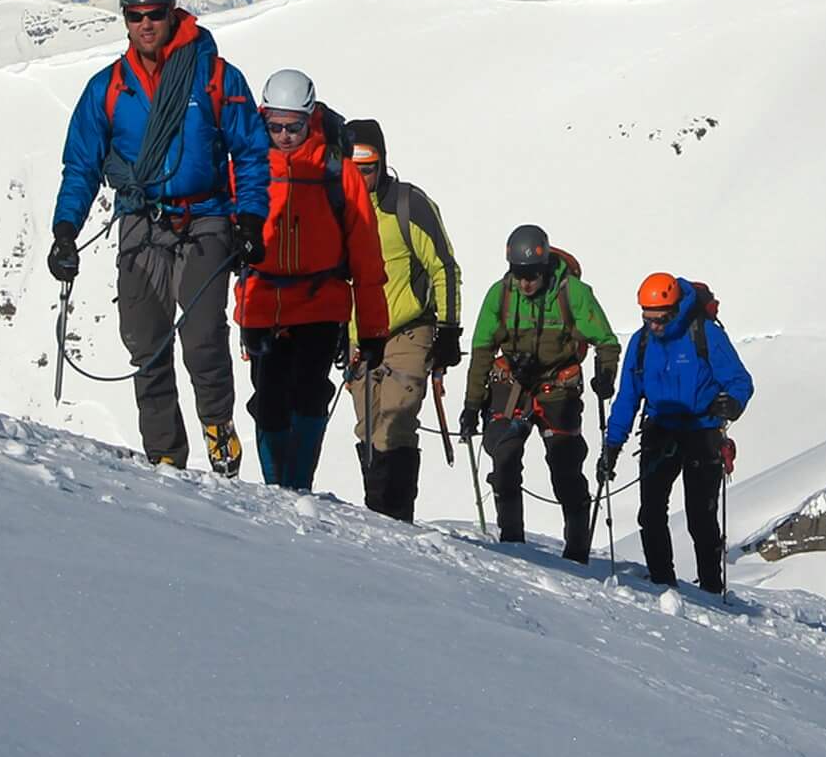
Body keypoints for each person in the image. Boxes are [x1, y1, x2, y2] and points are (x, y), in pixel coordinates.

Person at [49, 0, 270, 474]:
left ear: (173, 13)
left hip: (207, 218)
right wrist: (66, 231)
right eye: (136, 16)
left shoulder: (215, 77)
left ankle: (217, 425)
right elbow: (81, 165)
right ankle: (165, 452)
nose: (146, 24)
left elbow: (251, 153)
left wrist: (251, 217)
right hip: (141, 222)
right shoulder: (108, 89)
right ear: (125, 19)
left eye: (155, 14)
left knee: (201, 337)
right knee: (145, 343)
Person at [232, 68, 390, 491]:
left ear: (310, 119)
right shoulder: (246, 167)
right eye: (275, 126)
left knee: (308, 393)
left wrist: (373, 329)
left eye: (294, 127)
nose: (284, 135)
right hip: (261, 301)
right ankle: (276, 485)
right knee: (267, 399)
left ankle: (295, 485)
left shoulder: (337, 171)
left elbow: (366, 254)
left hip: (322, 303)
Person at [456, 225, 619, 562]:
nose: (526, 282)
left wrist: (605, 376)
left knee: (565, 465)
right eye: (519, 274)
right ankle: (511, 543)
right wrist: (472, 405)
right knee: (503, 455)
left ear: (545, 268)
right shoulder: (499, 295)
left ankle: (577, 553)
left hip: (558, 388)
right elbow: (482, 351)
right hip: (511, 383)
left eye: (532, 274)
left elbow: (606, 341)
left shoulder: (572, 293)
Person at [600, 273, 753, 595]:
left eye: (660, 319)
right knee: (651, 511)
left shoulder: (705, 334)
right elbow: (628, 396)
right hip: (659, 431)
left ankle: (711, 587)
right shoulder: (641, 342)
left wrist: (733, 404)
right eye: (647, 318)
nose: (654, 325)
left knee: (701, 516)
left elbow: (740, 381)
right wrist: (612, 444)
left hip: (703, 431)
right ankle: (661, 582)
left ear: (676, 308)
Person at [341, 117, 461, 520]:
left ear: (383, 163)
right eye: (352, 168)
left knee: (395, 422)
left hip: (408, 330)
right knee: (369, 428)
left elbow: (444, 267)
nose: (361, 177)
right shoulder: (338, 208)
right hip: (359, 338)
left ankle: (394, 514)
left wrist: (448, 330)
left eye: (368, 167)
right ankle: (380, 514)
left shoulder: (407, 205)